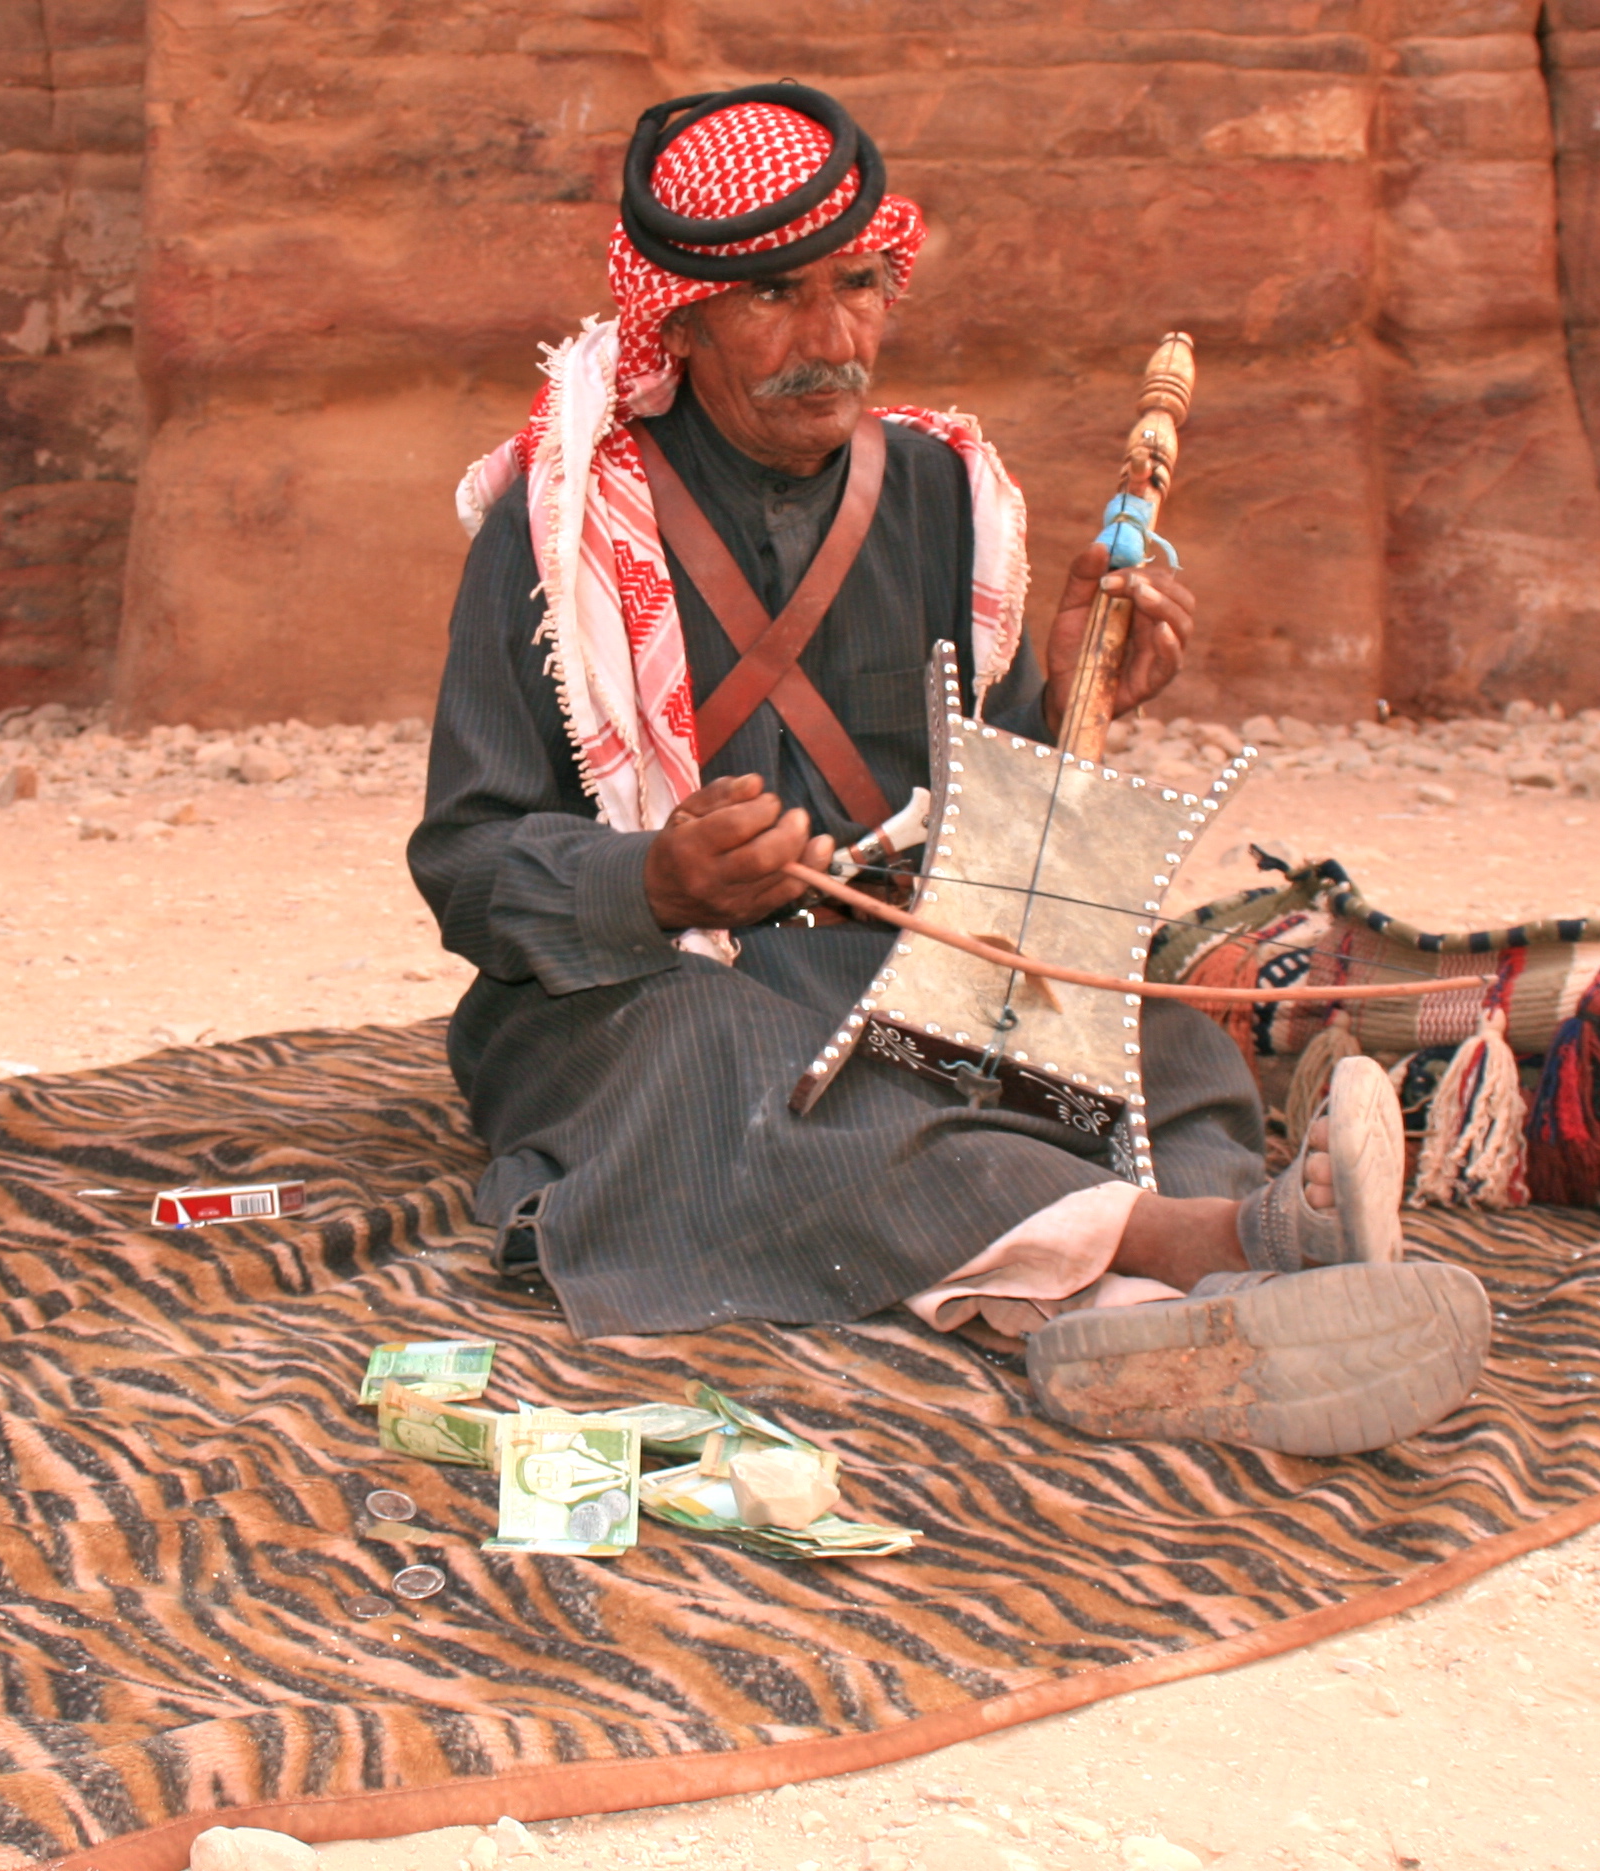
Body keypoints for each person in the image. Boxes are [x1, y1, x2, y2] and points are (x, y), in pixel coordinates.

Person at [410, 86, 1488, 1455]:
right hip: (649, 994)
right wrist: (654, 873)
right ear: (677, 320)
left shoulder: (940, 495)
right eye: (779, 299)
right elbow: (468, 858)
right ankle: (1217, 1244)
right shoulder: (558, 529)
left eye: (859, 285)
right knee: (729, 1066)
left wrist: (1079, 692)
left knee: (1136, 1013)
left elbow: (994, 824)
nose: (834, 337)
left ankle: (1160, 1303)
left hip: (914, 962)